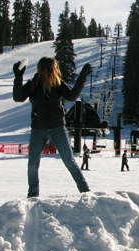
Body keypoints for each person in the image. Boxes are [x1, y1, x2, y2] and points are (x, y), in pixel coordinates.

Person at [13, 56, 92, 197]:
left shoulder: (57, 84)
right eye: (55, 66)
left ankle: (85, 191)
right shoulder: (33, 85)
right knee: (32, 165)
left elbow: (72, 96)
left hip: (58, 129)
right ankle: (33, 195)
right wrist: (18, 77)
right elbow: (18, 97)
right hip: (38, 130)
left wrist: (82, 78)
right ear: (50, 68)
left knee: (69, 161)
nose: (57, 69)